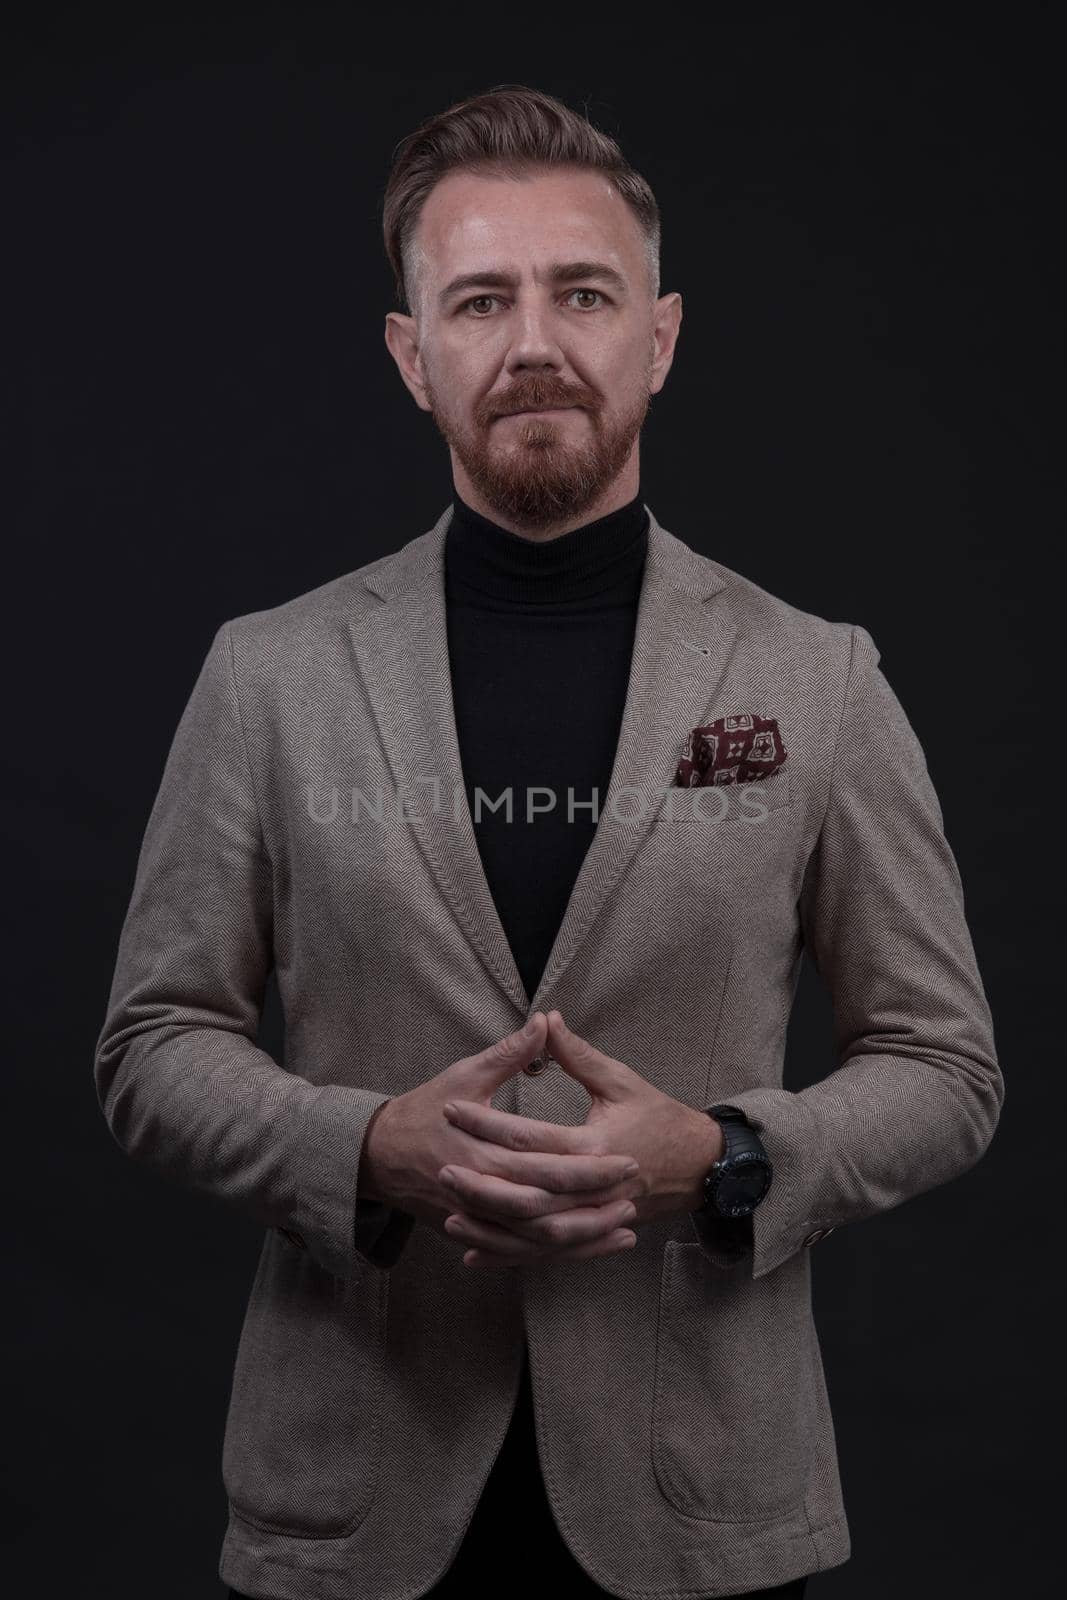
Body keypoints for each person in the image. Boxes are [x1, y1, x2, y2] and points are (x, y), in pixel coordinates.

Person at [95, 84, 1001, 1600]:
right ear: (412, 355)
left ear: (658, 336)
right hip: (354, 1504)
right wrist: (366, 1147)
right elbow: (149, 1041)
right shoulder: (271, 676)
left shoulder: (815, 678)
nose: (534, 343)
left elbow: (946, 1065)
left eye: (584, 293)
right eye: (480, 300)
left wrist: (725, 1159)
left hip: (703, 1501)